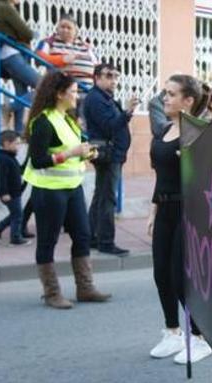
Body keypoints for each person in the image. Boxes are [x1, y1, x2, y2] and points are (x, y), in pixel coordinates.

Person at [23, 71, 110, 309]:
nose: (76, 96)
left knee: (82, 235)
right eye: (72, 92)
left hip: (72, 188)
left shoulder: (68, 118)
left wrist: (87, 153)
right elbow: (38, 160)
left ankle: (85, 288)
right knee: (47, 241)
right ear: (59, 94)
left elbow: (73, 148)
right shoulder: (42, 121)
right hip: (49, 191)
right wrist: (71, 154)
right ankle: (52, 293)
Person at [147, 74, 212, 365]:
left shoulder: (198, 133)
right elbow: (160, 177)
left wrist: (190, 159)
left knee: (179, 277)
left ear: (189, 100)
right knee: (160, 273)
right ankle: (172, 331)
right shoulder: (161, 131)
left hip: (189, 212)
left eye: (172, 94)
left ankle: (200, 337)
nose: (166, 98)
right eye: (165, 93)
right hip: (164, 210)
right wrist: (153, 211)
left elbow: (209, 177)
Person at [83, 63, 137, 257]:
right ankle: (106, 242)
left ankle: (91, 238)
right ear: (97, 77)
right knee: (108, 199)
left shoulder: (104, 97)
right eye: (109, 76)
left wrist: (125, 114)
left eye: (116, 76)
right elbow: (109, 126)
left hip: (111, 154)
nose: (113, 80)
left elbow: (115, 124)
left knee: (101, 196)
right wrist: (128, 112)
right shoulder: (96, 99)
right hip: (108, 155)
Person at [0, 0, 41, 134]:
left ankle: (18, 131)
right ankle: (10, 108)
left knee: (21, 92)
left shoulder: (3, 7)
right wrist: (29, 36)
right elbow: (27, 33)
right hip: (12, 55)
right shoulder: (5, 7)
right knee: (44, 85)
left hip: (12, 54)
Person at [0, 130, 30, 246]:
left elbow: (19, 170)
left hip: (15, 192)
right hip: (10, 194)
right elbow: (1, 178)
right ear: (7, 144)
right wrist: (4, 193)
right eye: (16, 143)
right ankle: (15, 238)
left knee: (16, 214)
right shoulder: (4, 160)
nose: (19, 146)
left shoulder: (11, 158)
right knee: (17, 215)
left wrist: (28, 162)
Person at [35, 14, 98, 88]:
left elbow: (97, 66)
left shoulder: (85, 46)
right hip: (61, 91)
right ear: (57, 28)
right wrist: (61, 59)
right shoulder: (49, 42)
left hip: (86, 91)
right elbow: (38, 58)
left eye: (69, 28)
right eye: (62, 27)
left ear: (75, 31)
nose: (65, 30)